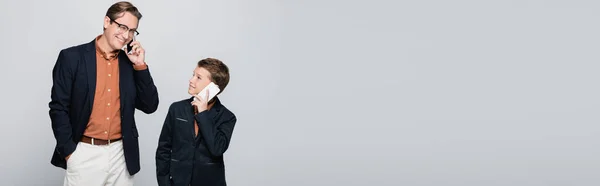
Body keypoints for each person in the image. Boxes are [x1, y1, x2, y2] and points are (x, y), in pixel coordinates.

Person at [48, 1, 159, 185]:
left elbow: (150, 106)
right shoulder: (71, 57)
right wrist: (70, 153)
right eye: (122, 27)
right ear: (107, 22)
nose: (126, 36)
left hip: (121, 156)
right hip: (84, 153)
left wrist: (140, 65)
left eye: (132, 31)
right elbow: (58, 108)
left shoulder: (130, 63)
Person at [156, 58, 237, 186]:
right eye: (193, 75)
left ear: (213, 87)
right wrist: (164, 183)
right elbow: (163, 149)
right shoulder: (177, 109)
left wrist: (203, 113)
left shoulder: (227, 117)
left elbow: (217, 149)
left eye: (198, 77)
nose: (191, 80)